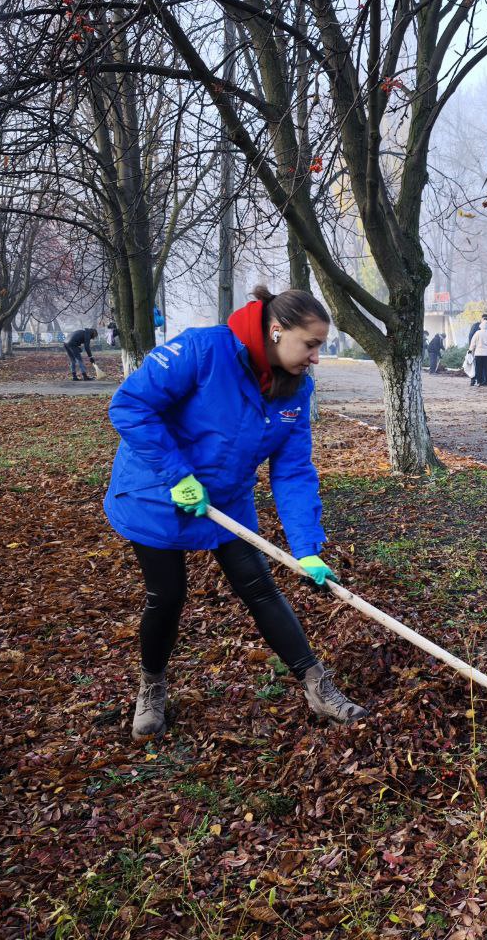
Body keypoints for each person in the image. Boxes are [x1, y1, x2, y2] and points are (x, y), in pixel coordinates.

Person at [105, 284, 367, 741]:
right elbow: (130, 405)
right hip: (156, 491)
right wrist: (177, 475)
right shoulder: (203, 350)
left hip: (226, 500)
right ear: (276, 330)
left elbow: (293, 472)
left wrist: (307, 549)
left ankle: (315, 684)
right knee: (167, 596)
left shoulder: (294, 389)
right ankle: (151, 687)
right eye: (311, 345)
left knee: (260, 587)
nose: (316, 358)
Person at [468, 319, 487, 387]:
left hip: (478, 354)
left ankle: (479, 382)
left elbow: (473, 343)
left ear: (481, 326)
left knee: (478, 368)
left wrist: (470, 350)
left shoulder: (477, 333)